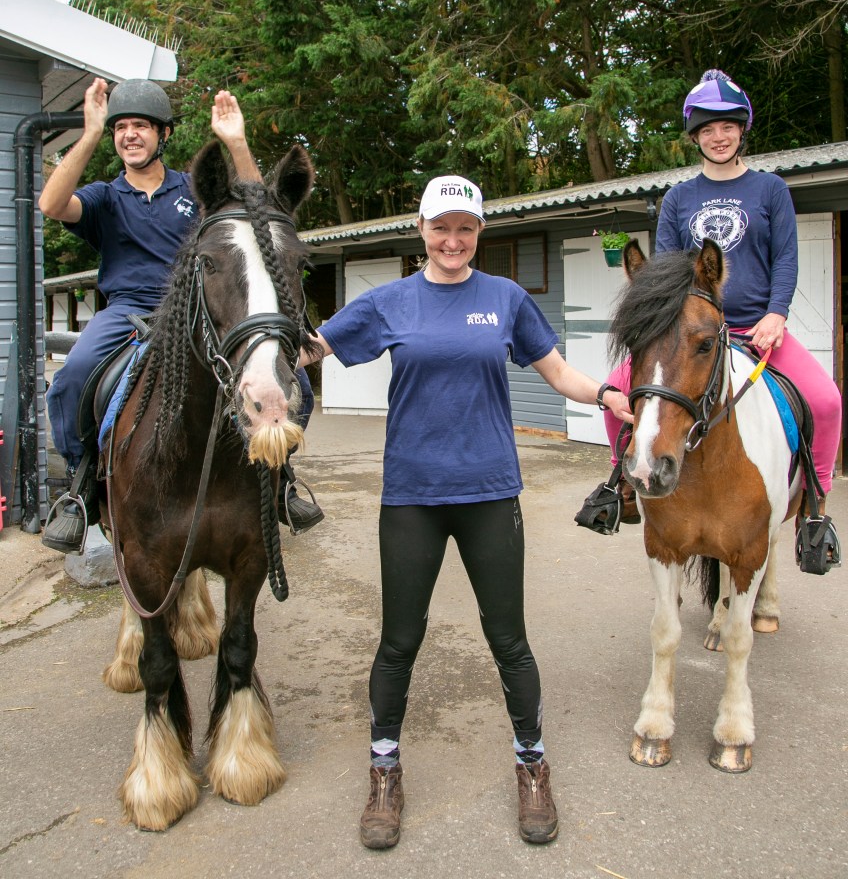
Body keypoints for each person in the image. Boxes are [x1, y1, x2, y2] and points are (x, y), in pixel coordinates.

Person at [300, 174, 632, 848]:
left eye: (467, 228)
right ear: (420, 230)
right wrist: (255, 337)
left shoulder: (505, 299)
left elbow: (558, 373)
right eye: (442, 227)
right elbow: (314, 347)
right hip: (412, 498)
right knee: (399, 641)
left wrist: (605, 394)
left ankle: (532, 765)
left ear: (479, 234)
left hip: (489, 492)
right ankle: (384, 771)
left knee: (509, 639)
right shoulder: (389, 301)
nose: (453, 240)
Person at [40, 77, 322, 552]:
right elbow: (51, 205)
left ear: (163, 135)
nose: (130, 134)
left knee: (300, 386)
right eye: (121, 127)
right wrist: (88, 133)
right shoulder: (105, 198)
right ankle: (80, 489)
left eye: (142, 126)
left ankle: (281, 477)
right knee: (71, 380)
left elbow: (258, 209)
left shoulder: (197, 192)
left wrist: (236, 144)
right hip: (128, 310)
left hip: (199, 308)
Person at [587, 69, 841, 528]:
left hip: (757, 331)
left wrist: (777, 315)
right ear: (695, 137)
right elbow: (663, 276)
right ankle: (620, 484)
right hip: (688, 335)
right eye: (707, 129)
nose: (718, 136)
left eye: (727, 126)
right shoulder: (679, 198)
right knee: (616, 394)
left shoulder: (771, 190)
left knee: (826, 402)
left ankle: (815, 502)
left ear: (742, 130)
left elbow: (785, 258)